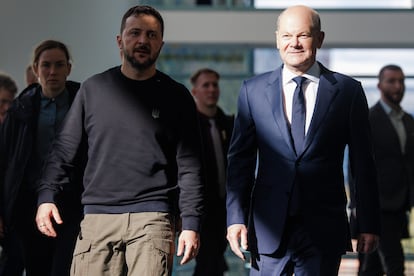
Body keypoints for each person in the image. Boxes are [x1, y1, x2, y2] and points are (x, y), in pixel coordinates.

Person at [35, 5, 203, 275]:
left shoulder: (177, 96)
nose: (142, 41)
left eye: (151, 35)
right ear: (119, 40)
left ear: (161, 43)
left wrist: (192, 223)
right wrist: (47, 196)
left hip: (153, 218)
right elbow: (64, 149)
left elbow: (191, 166)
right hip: (97, 218)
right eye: (135, 33)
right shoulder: (93, 89)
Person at [225, 5, 381, 276]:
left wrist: (368, 223)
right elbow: (240, 161)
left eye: (303, 35)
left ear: (319, 39)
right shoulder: (253, 91)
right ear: (277, 40)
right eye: (286, 36)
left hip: (322, 231)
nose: (294, 43)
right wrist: (235, 218)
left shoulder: (348, 92)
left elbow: (363, 164)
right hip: (268, 230)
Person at [0, 40, 83, 276]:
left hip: (73, 203)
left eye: (59, 65)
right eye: (46, 65)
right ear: (35, 69)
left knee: (66, 268)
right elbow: (4, 162)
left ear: (68, 68)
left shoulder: (84, 104)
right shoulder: (20, 110)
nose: (53, 72)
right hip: (30, 205)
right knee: (38, 267)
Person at [350, 64, 414, 276]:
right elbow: (356, 166)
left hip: (399, 207)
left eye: (401, 81)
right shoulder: (369, 119)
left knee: (371, 267)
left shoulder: (408, 121)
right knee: (395, 265)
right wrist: (357, 206)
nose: (398, 86)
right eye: (392, 81)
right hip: (376, 207)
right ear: (379, 85)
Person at [190, 68, 234, 276]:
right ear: (195, 91)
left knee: (216, 258)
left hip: (225, 208)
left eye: (214, 85)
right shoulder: (187, 127)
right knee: (207, 261)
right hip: (199, 208)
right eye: (205, 85)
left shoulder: (229, 124)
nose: (211, 89)